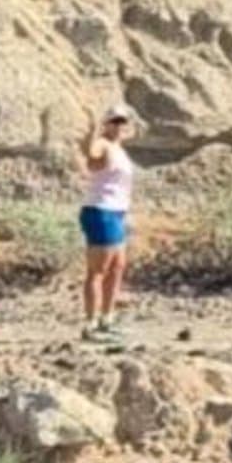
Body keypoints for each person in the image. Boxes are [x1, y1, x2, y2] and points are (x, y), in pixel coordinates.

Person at [77, 102, 138, 343]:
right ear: (106, 124)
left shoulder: (119, 149)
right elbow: (91, 154)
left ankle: (107, 319)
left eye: (123, 121)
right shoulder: (103, 143)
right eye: (114, 121)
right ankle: (90, 325)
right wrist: (92, 130)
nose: (119, 126)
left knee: (118, 267)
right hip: (100, 210)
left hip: (116, 212)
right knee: (98, 270)